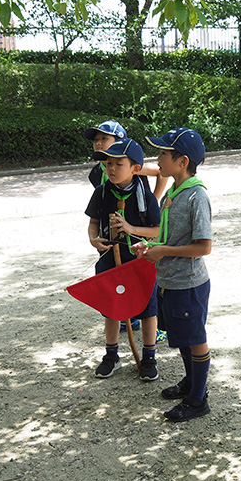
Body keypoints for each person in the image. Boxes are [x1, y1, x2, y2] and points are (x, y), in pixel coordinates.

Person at [133, 128, 213, 422]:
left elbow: (204, 247)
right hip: (170, 281)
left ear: (182, 162)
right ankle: (191, 384)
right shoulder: (173, 192)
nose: (158, 158)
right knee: (182, 337)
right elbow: (171, 236)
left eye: (164, 154)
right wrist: (151, 246)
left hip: (189, 284)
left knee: (195, 338)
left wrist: (164, 251)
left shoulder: (197, 196)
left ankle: (198, 399)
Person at [85, 137, 162, 380]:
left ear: (136, 168)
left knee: (148, 309)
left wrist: (130, 228)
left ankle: (149, 356)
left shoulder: (145, 197)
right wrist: (93, 239)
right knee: (111, 308)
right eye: (108, 164)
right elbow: (93, 223)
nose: (111, 169)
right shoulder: (101, 192)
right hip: (110, 259)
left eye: (119, 164)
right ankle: (111, 355)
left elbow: (158, 230)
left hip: (140, 260)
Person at [86, 121, 169, 200]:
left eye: (104, 138)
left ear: (120, 142)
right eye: (96, 140)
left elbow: (160, 172)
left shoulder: (130, 165)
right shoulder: (95, 173)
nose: (98, 143)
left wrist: (154, 200)